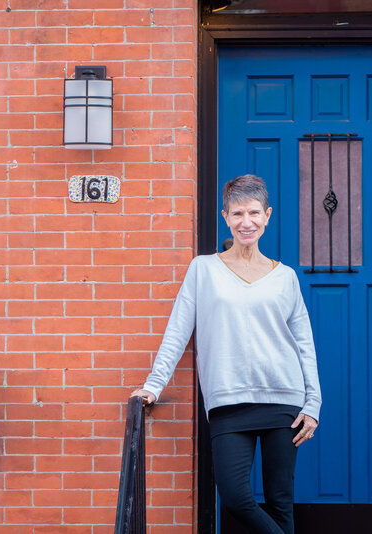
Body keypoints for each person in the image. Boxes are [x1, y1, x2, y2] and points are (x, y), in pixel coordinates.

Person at [131, 174, 321, 534]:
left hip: (284, 402)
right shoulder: (203, 270)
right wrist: (153, 386)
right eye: (237, 214)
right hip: (229, 403)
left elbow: (304, 344)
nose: (246, 222)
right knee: (235, 497)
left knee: (281, 503)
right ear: (225, 217)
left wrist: (313, 403)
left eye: (253, 213)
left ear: (268, 215)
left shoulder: (286, 278)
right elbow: (178, 331)